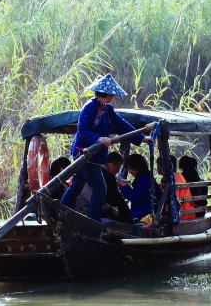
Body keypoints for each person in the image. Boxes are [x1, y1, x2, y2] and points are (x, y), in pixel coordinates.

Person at [60, 74, 150, 221]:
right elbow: (82, 130)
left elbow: (121, 124)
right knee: (100, 188)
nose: (113, 97)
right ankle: (93, 221)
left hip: (93, 154)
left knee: (76, 185)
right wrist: (98, 138)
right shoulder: (90, 107)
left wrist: (141, 138)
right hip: (84, 154)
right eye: (111, 94)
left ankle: (61, 211)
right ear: (106, 94)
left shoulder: (107, 108)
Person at [119, 153, 155, 223]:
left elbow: (135, 198)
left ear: (136, 167)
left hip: (144, 213)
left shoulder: (143, 179)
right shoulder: (146, 176)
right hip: (146, 210)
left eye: (130, 168)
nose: (129, 172)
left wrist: (124, 186)